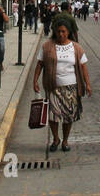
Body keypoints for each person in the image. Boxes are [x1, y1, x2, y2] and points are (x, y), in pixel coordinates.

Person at [34, 19, 92, 152]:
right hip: (53, 86)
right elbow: (40, 64)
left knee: (68, 115)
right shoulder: (47, 46)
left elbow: (83, 67)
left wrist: (87, 84)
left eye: (63, 31)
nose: (61, 34)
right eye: (58, 31)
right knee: (53, 115)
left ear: (68, 32)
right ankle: (55, 138)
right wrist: (35, 81)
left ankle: (65, 140)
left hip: (71, 87)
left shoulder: (76, 47)